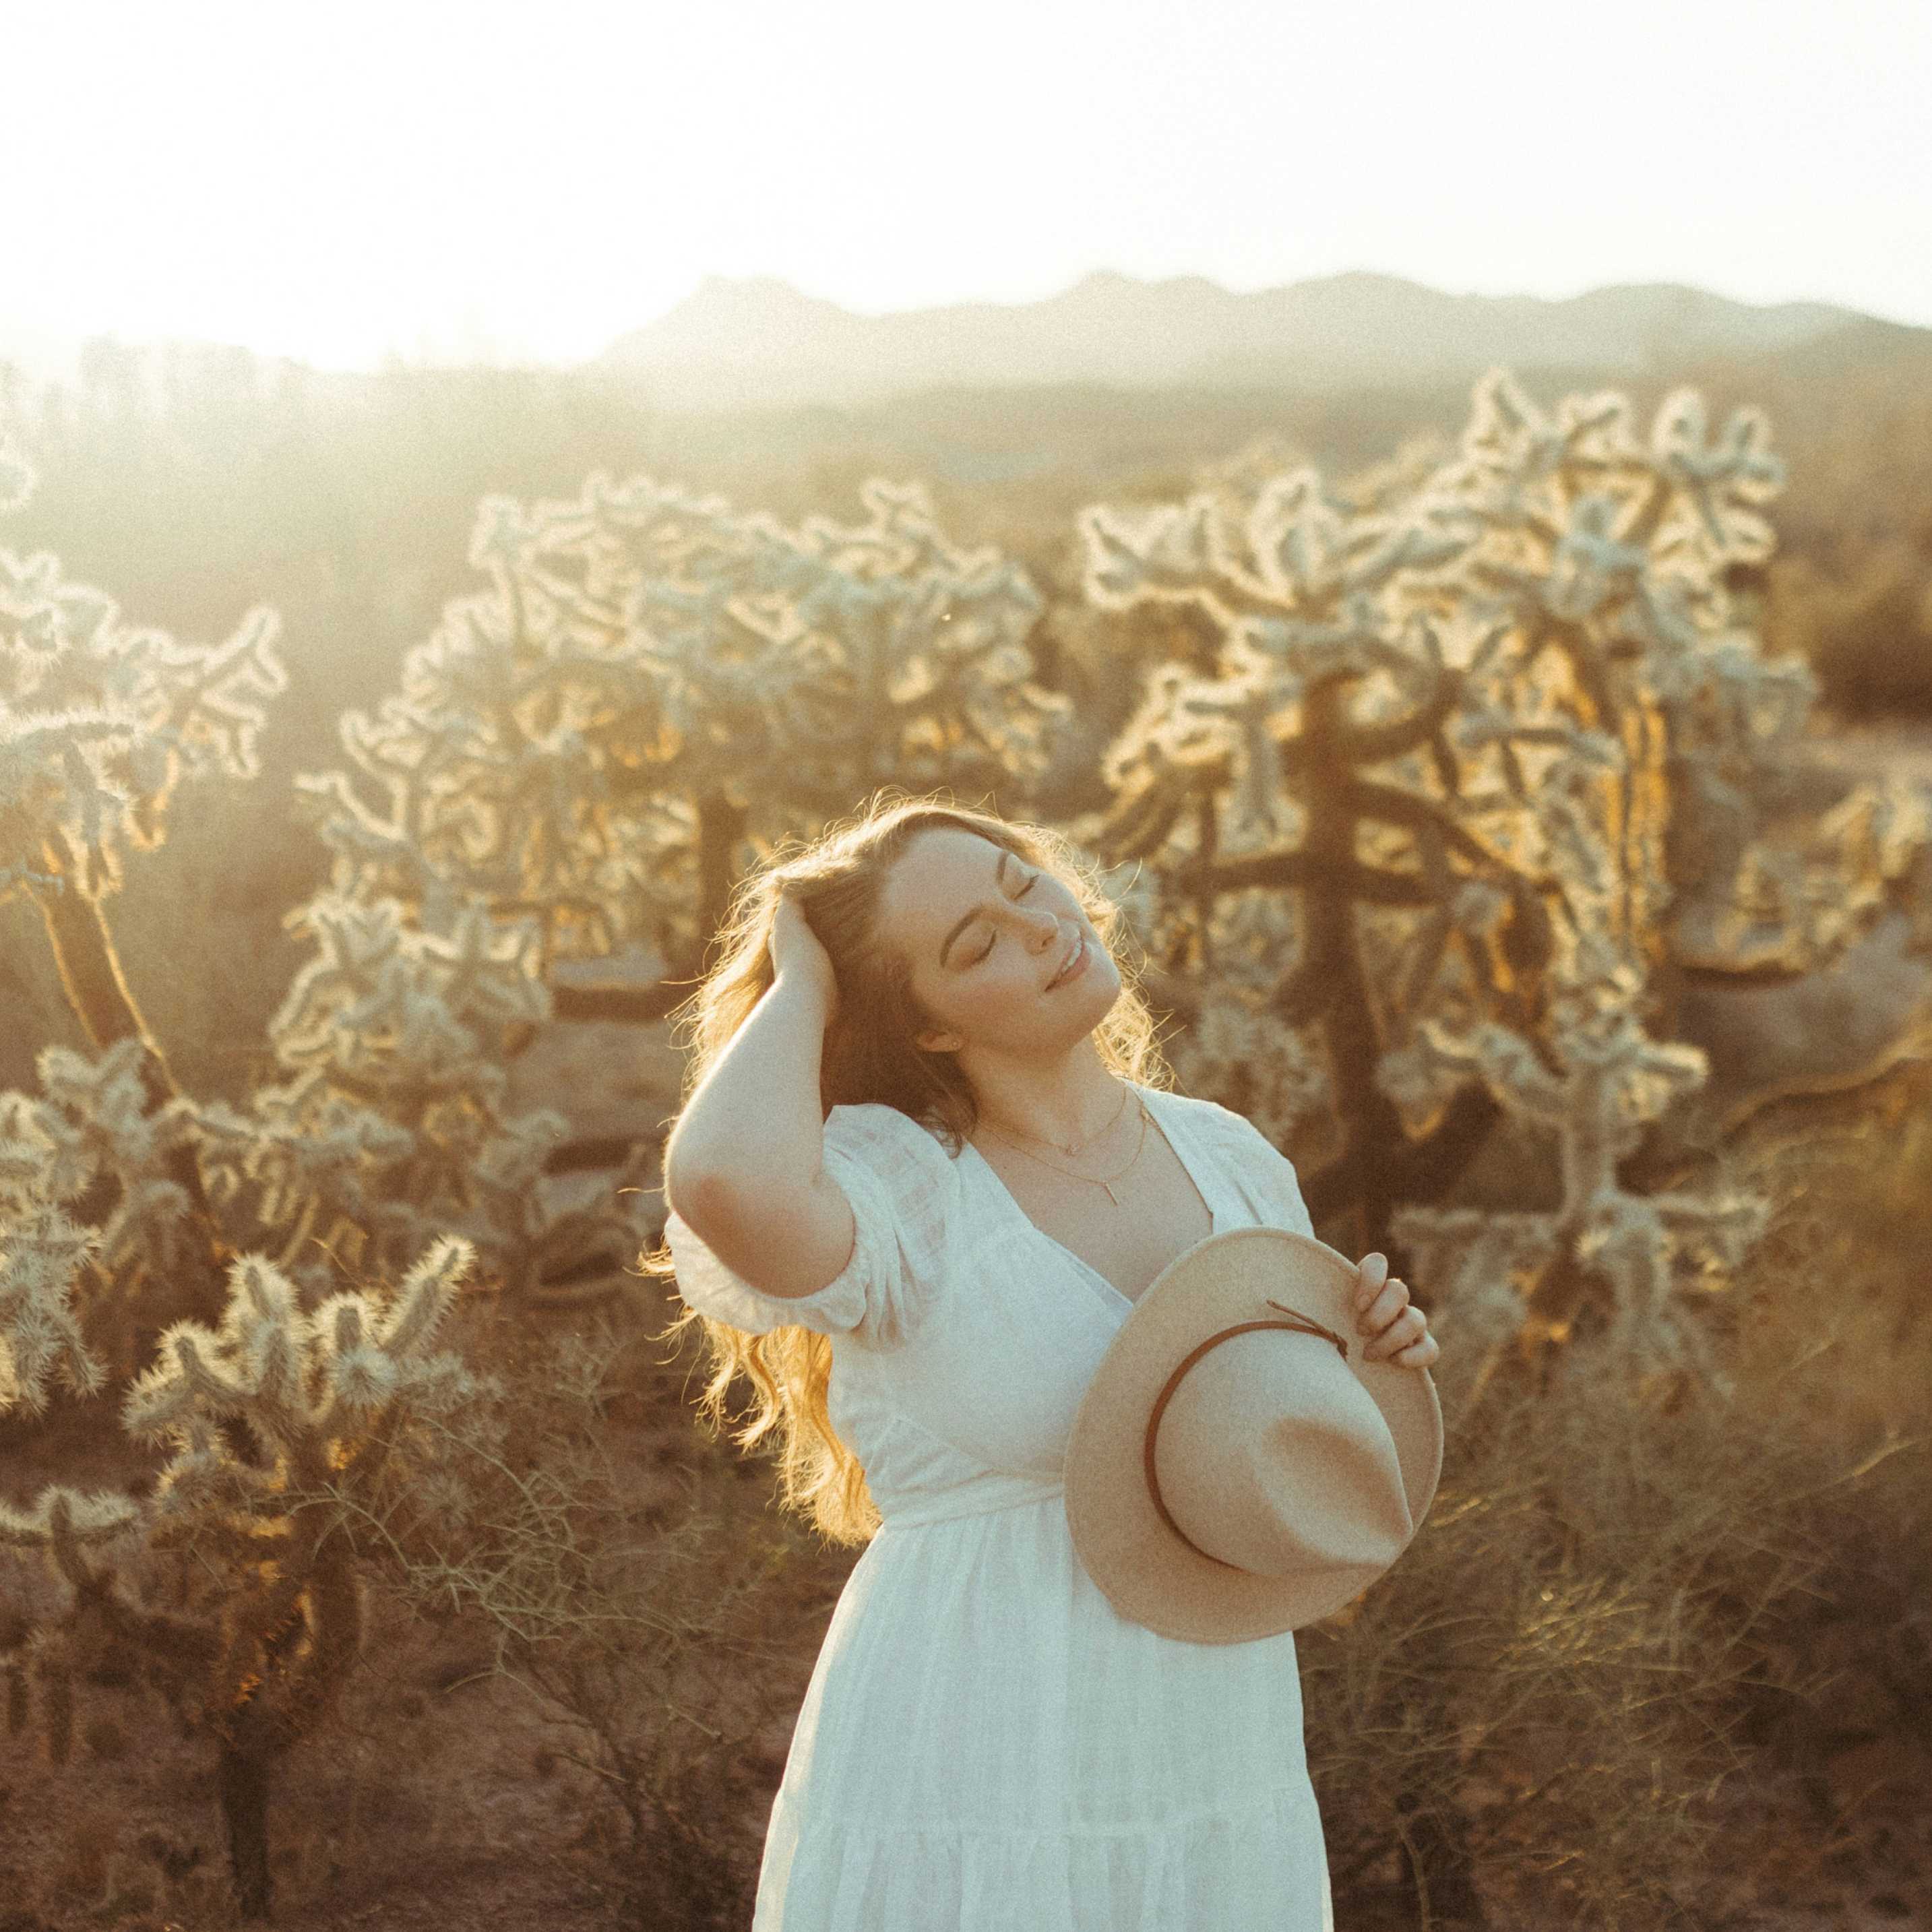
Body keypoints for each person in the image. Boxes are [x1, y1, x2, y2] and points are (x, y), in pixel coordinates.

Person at [641, 791, 1438, 1931]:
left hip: (1210, 1727)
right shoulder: (899, 1184)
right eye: (977, 946)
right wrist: (807, 984)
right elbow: (721, 1179)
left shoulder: (1230, 1158)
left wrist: (1379, 1362)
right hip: (978, 1740)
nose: (1042, 928)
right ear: (928, 1026)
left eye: (1025, 885)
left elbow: (1283, 1446)